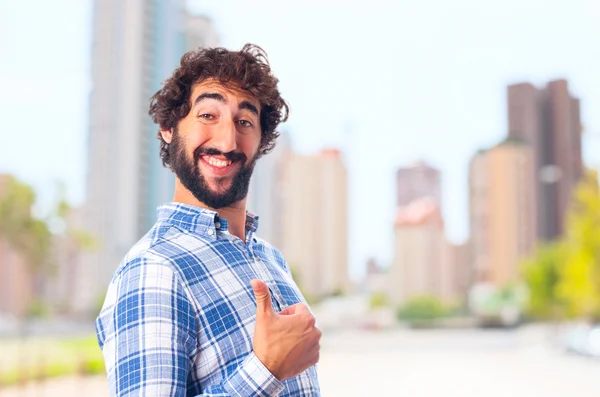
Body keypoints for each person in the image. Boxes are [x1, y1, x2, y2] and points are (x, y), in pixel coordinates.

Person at [95, 44, 321, 396]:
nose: (227, 140)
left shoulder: (271, 260)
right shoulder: (155, 269)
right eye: (207, 116)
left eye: (244, 122)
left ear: (261, 142)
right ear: (169, 127)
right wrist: (266, 370)